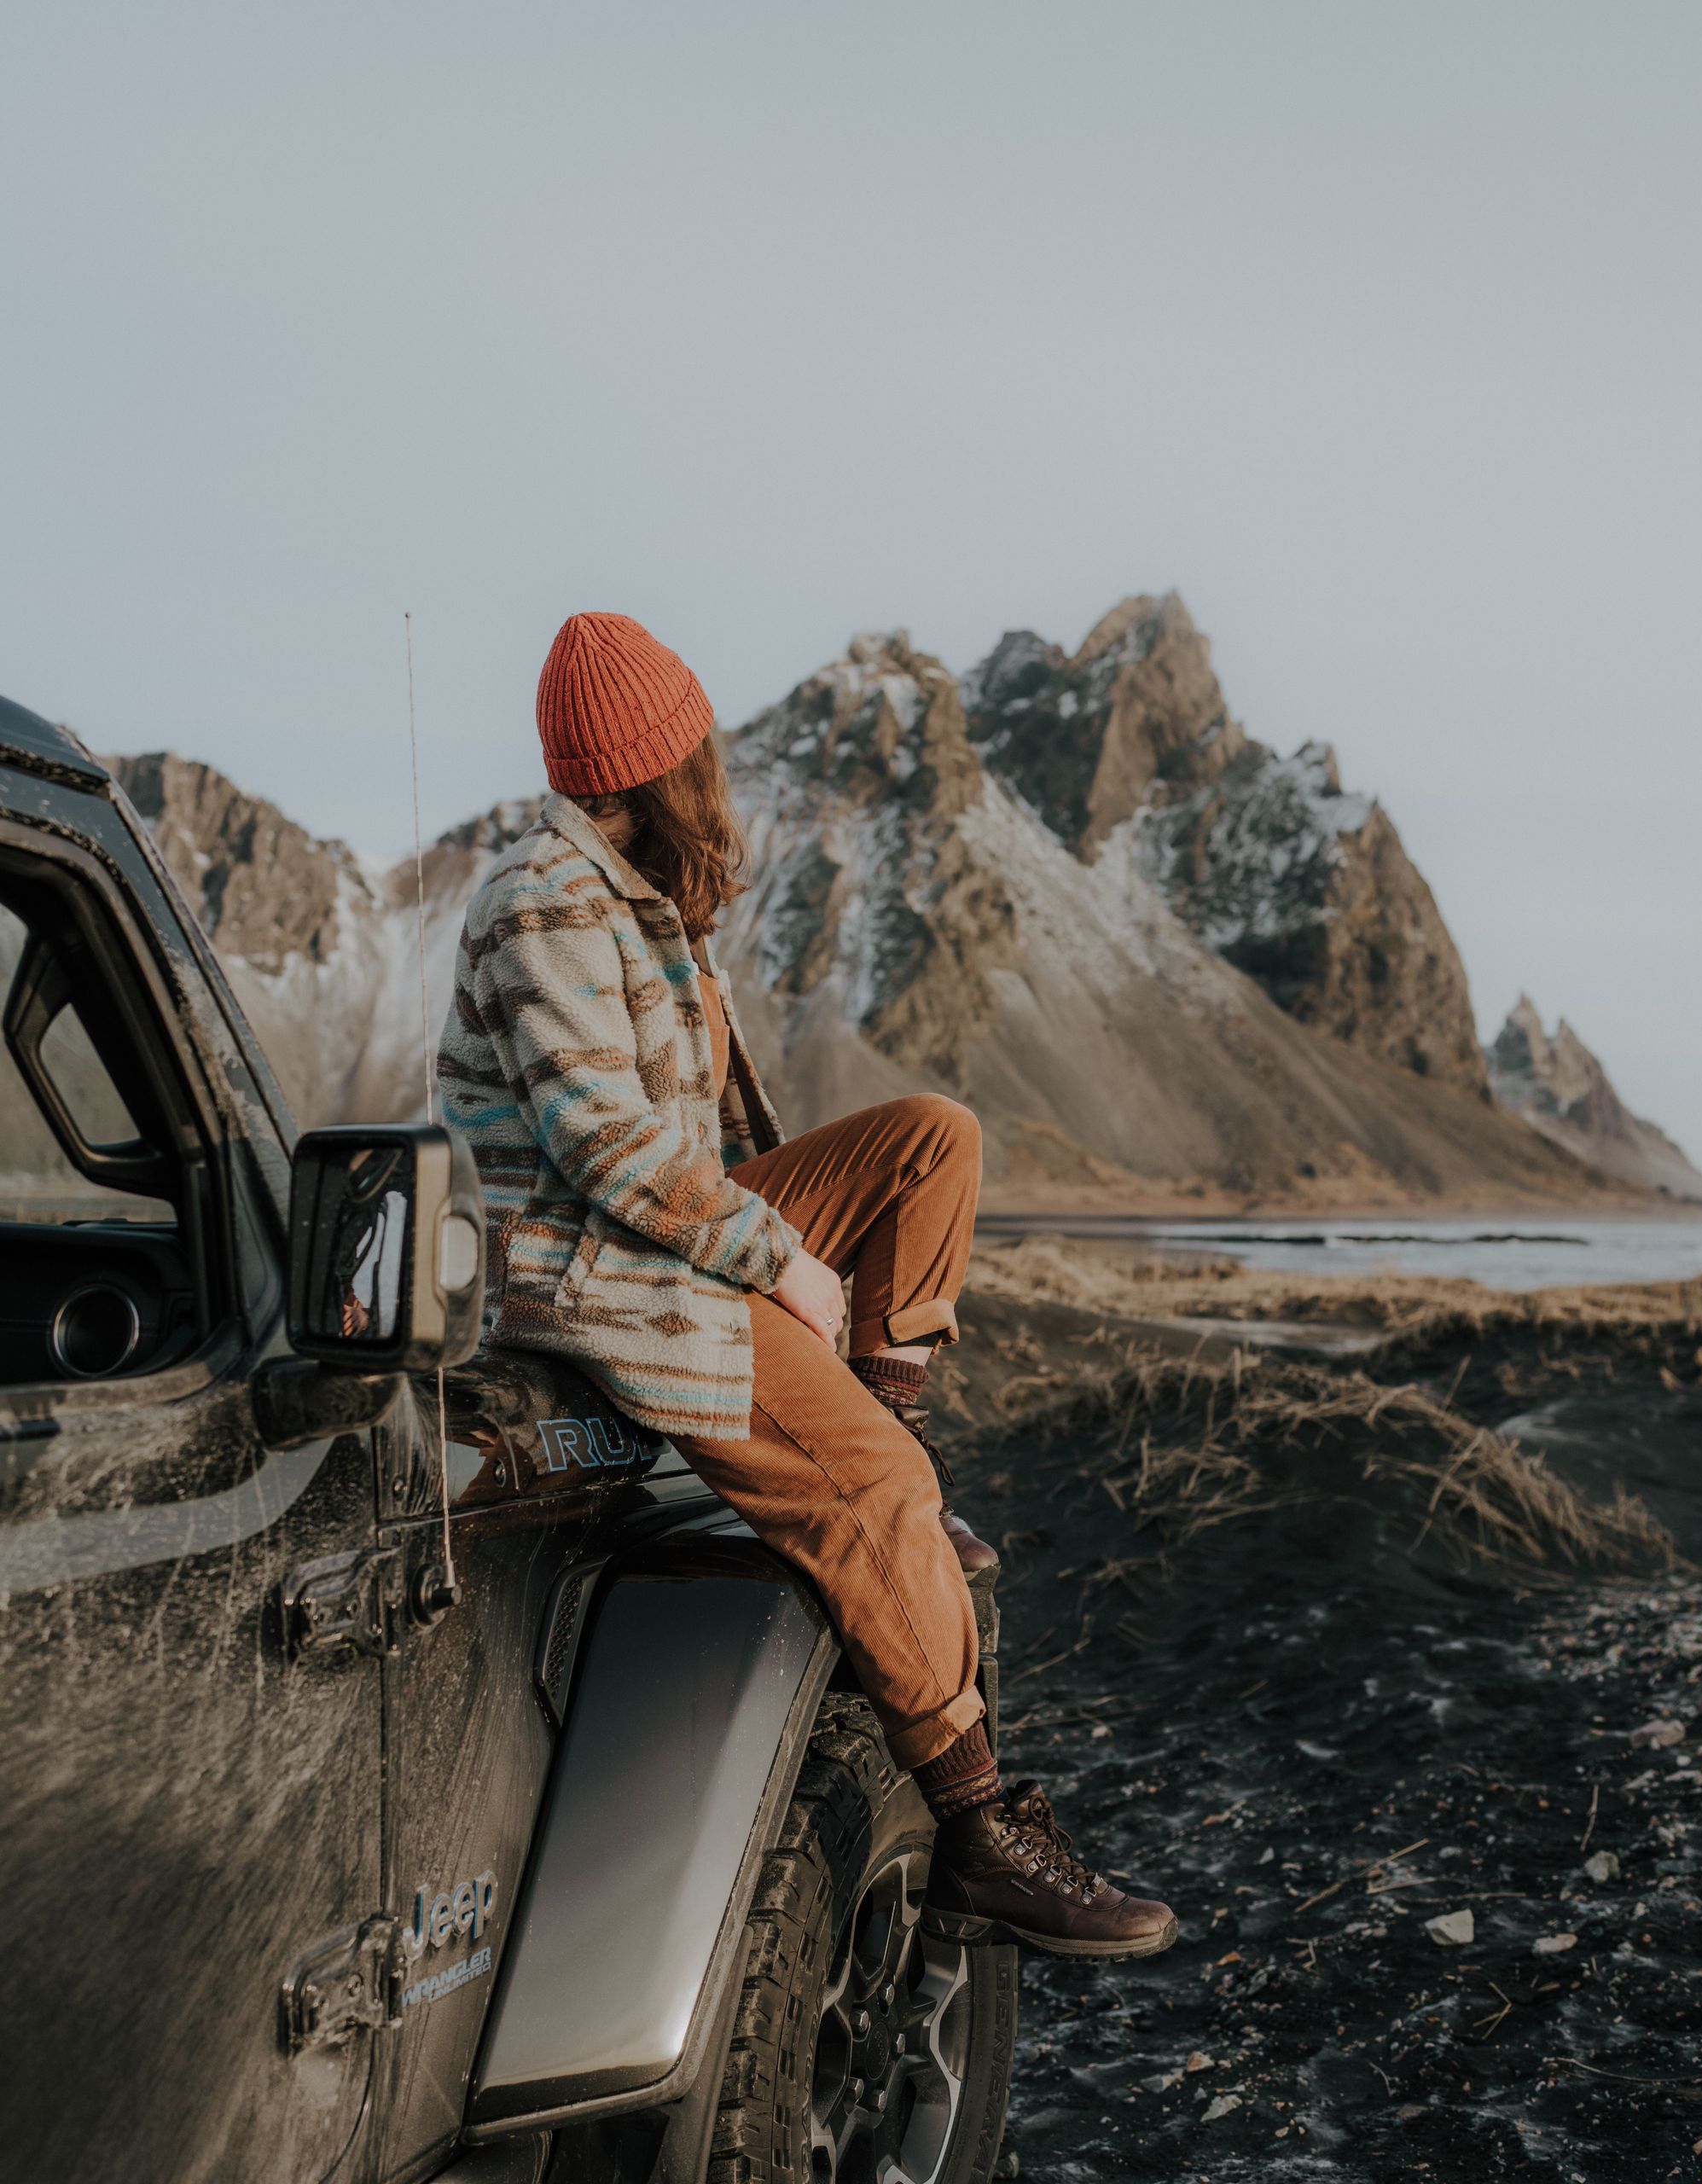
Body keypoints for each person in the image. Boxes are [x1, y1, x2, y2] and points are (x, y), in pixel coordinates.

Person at [439, 611, 1176, 1960]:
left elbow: (710, 1147)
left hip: (665, 1232)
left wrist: (787, 1252)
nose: (716, 767)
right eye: (696, 747)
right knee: (874, 1494)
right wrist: (778, 1263)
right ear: (656, 764)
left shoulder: (637, 889)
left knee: (931, 1140)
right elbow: (602, 1148)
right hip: (586, 1269)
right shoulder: (542, 899)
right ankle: (977, 1831)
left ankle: (887, 1449)